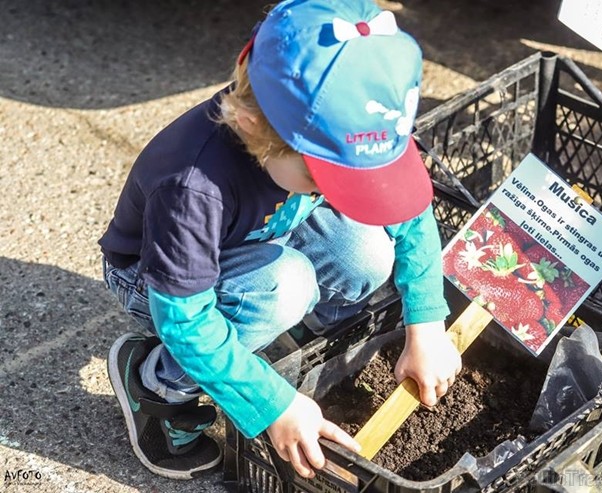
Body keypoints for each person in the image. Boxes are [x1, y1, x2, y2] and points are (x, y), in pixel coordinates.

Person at [99, 0, 461, 482]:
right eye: (324, 181)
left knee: (369, 252)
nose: (339, 194)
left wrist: (427, 324)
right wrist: (272, 406)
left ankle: (288, 351)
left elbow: (411, 214)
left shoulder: (353, 120)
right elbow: (185, 321)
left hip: (266, 235)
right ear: (252, 125)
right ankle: (156, 385)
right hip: (154, 280)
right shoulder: (191, 186)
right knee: (283, 289)